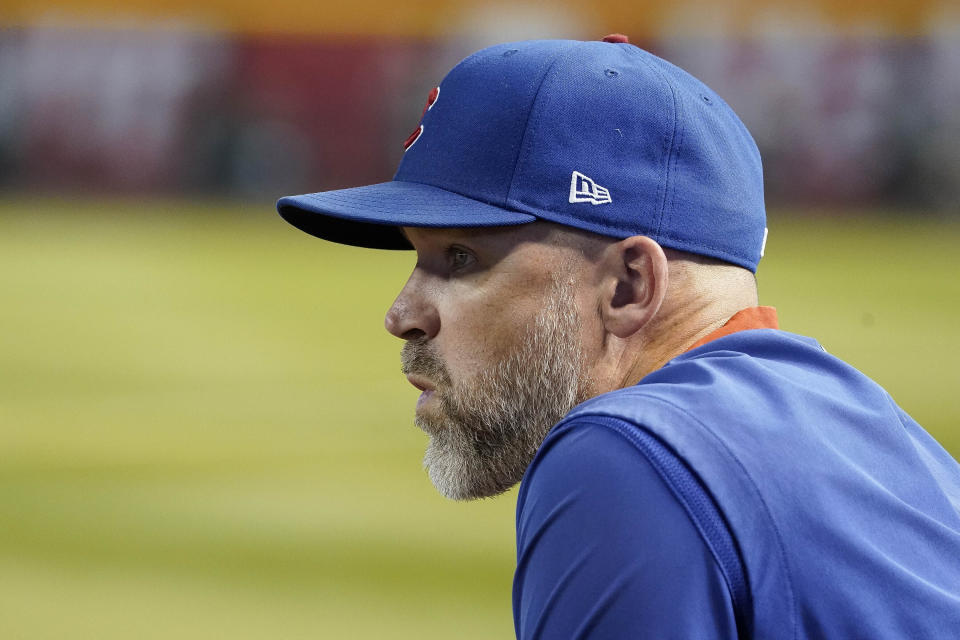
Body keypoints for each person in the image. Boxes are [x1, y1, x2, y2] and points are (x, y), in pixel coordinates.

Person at [276, 36, 960, 639]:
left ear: (630, 286)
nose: (402, 315)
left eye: (461, 259)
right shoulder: (885, 438)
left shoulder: (629, 453)